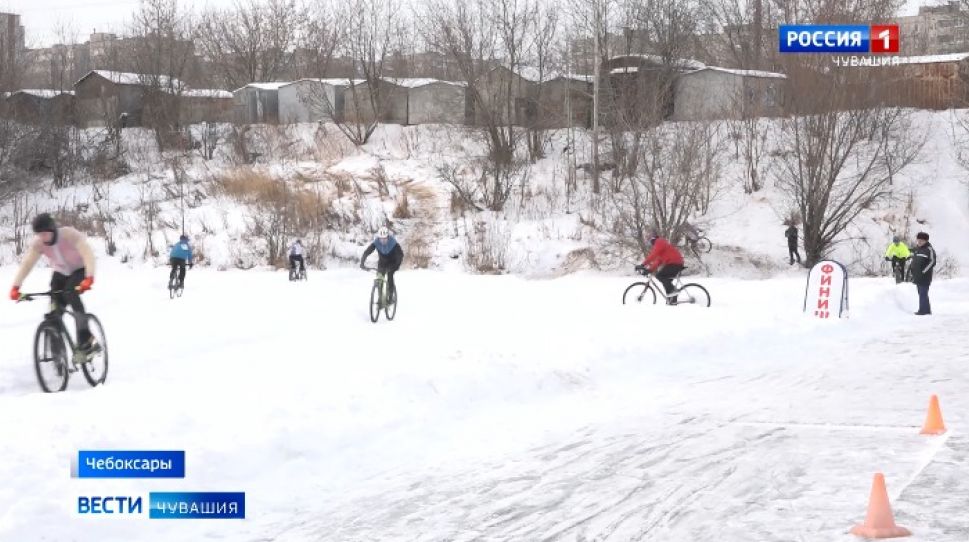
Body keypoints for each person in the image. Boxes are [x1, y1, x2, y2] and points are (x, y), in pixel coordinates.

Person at [8, 213, 99, 354]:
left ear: (53, 229)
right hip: (60, 274)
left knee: (71, 293)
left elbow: (87, 254)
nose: (42, 237)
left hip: (79, 270)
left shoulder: (68, 235)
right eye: (40, 234)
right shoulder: (39, 244)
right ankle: (57, 354)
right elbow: (27, 264)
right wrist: (16, 287)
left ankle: (85, 339)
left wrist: (89, 277)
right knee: (54, 310)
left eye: (45, 234)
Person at [636, 232, 685, 304]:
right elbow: (658, 261)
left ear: (652, 239)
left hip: (675, 263)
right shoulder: (661, 247)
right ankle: (672, 301)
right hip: (675, 263)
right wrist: (649, 270)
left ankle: (674, 291)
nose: (650, 244)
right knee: (666, 284)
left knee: (659, 276)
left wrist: (643, 264)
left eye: (649, 241)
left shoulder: (659, 242)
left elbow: (653, 255)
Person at [360, 227, 404, 303]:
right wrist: (362, 262)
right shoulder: (376, 242)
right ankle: (380, 298)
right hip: (382, 263)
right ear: (379, 238)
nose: (383, 241)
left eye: (385, 239)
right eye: (381, 239)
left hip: (393, 263)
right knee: (379, 278)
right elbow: (367, 251)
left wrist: (395, 266)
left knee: (390, 275)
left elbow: (400, 255)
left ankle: (390, 297)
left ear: (388, 237)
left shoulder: (393, 243)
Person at [909, 231, 936, 316]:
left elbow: (932, 262)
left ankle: (923, 311)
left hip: (925, 277)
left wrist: (924, 271)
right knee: (921, 293)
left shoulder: (929, 249)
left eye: (921, 240)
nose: (919, 242)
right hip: (917, 276)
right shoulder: (917, 249)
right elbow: (914, 261)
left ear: (926, 241)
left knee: (923, 293)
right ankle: (926, 310)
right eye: (918, 240)